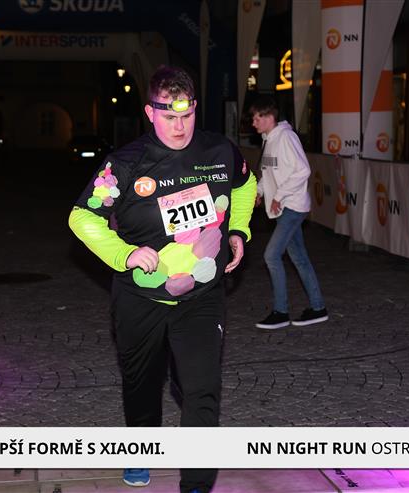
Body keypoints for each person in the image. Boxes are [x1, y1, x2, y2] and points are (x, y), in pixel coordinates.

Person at [69, 65, 257, 493]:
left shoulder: (220, 151)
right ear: (150, 113)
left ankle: (196, 484)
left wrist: (237, 229)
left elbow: (246, 185)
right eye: (169, 116)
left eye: (187, 115)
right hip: (141, 298)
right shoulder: (126, 163)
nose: (180, 126)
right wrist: (125, 254)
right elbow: (82, 217)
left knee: (202, 389)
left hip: (202, 296)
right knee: (142, 385)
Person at [249, 95, 328, 330]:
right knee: (299, 258)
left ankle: (281, 312)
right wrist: (259, 192)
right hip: (284, 207)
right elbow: (268, 174)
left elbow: (303, 170)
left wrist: (279, 196)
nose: (253, 122)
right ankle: (318, 308)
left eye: (257, 118)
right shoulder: (268, 139)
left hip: (292, 206)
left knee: (271, 256)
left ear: (269, 117)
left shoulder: (286, 137)